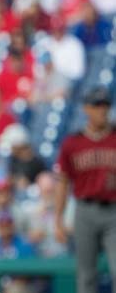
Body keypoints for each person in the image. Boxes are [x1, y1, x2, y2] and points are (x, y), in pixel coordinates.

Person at [54, 86, 116, 293]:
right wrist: (58, 219)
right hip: (84, 211)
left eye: (105, 104)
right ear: (86, 109)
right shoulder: (73, 142)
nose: (103, 110)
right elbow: (63, 182)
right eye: (97, 105)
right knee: (86, 275)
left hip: (113, 212)